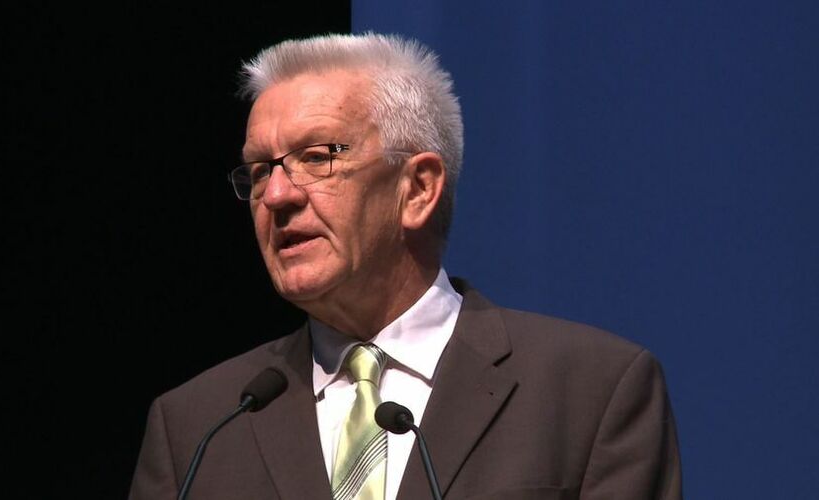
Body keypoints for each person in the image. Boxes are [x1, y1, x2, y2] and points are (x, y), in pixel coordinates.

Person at [129, 33, 681, 500]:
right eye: (258, 171)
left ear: (417, 189)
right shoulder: (197, 426)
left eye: (317, 158)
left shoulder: (591, 391)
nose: (276, 195)